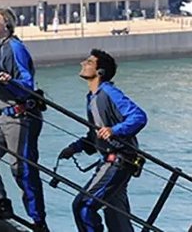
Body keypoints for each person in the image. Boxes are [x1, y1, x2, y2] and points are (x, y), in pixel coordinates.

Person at [0, 8, 48, 231]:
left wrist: (10, 82)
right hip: (3, 115)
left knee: (21, 168)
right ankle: (2, 202)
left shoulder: (14, 47)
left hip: (21, 116)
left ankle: (38, 222)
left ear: (7, 24)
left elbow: (27, 83)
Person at [58, 50, 147, 232]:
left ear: (100, 72)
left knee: (83, 206)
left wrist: (114, 130)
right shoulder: (92, 98)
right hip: (114, 161)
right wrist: (74, 148)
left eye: (89, 62)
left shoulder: (108, 92)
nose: (83, 63)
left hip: (118, 161)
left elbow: (138, 116)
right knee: (116, 217)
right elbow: (94, 136)